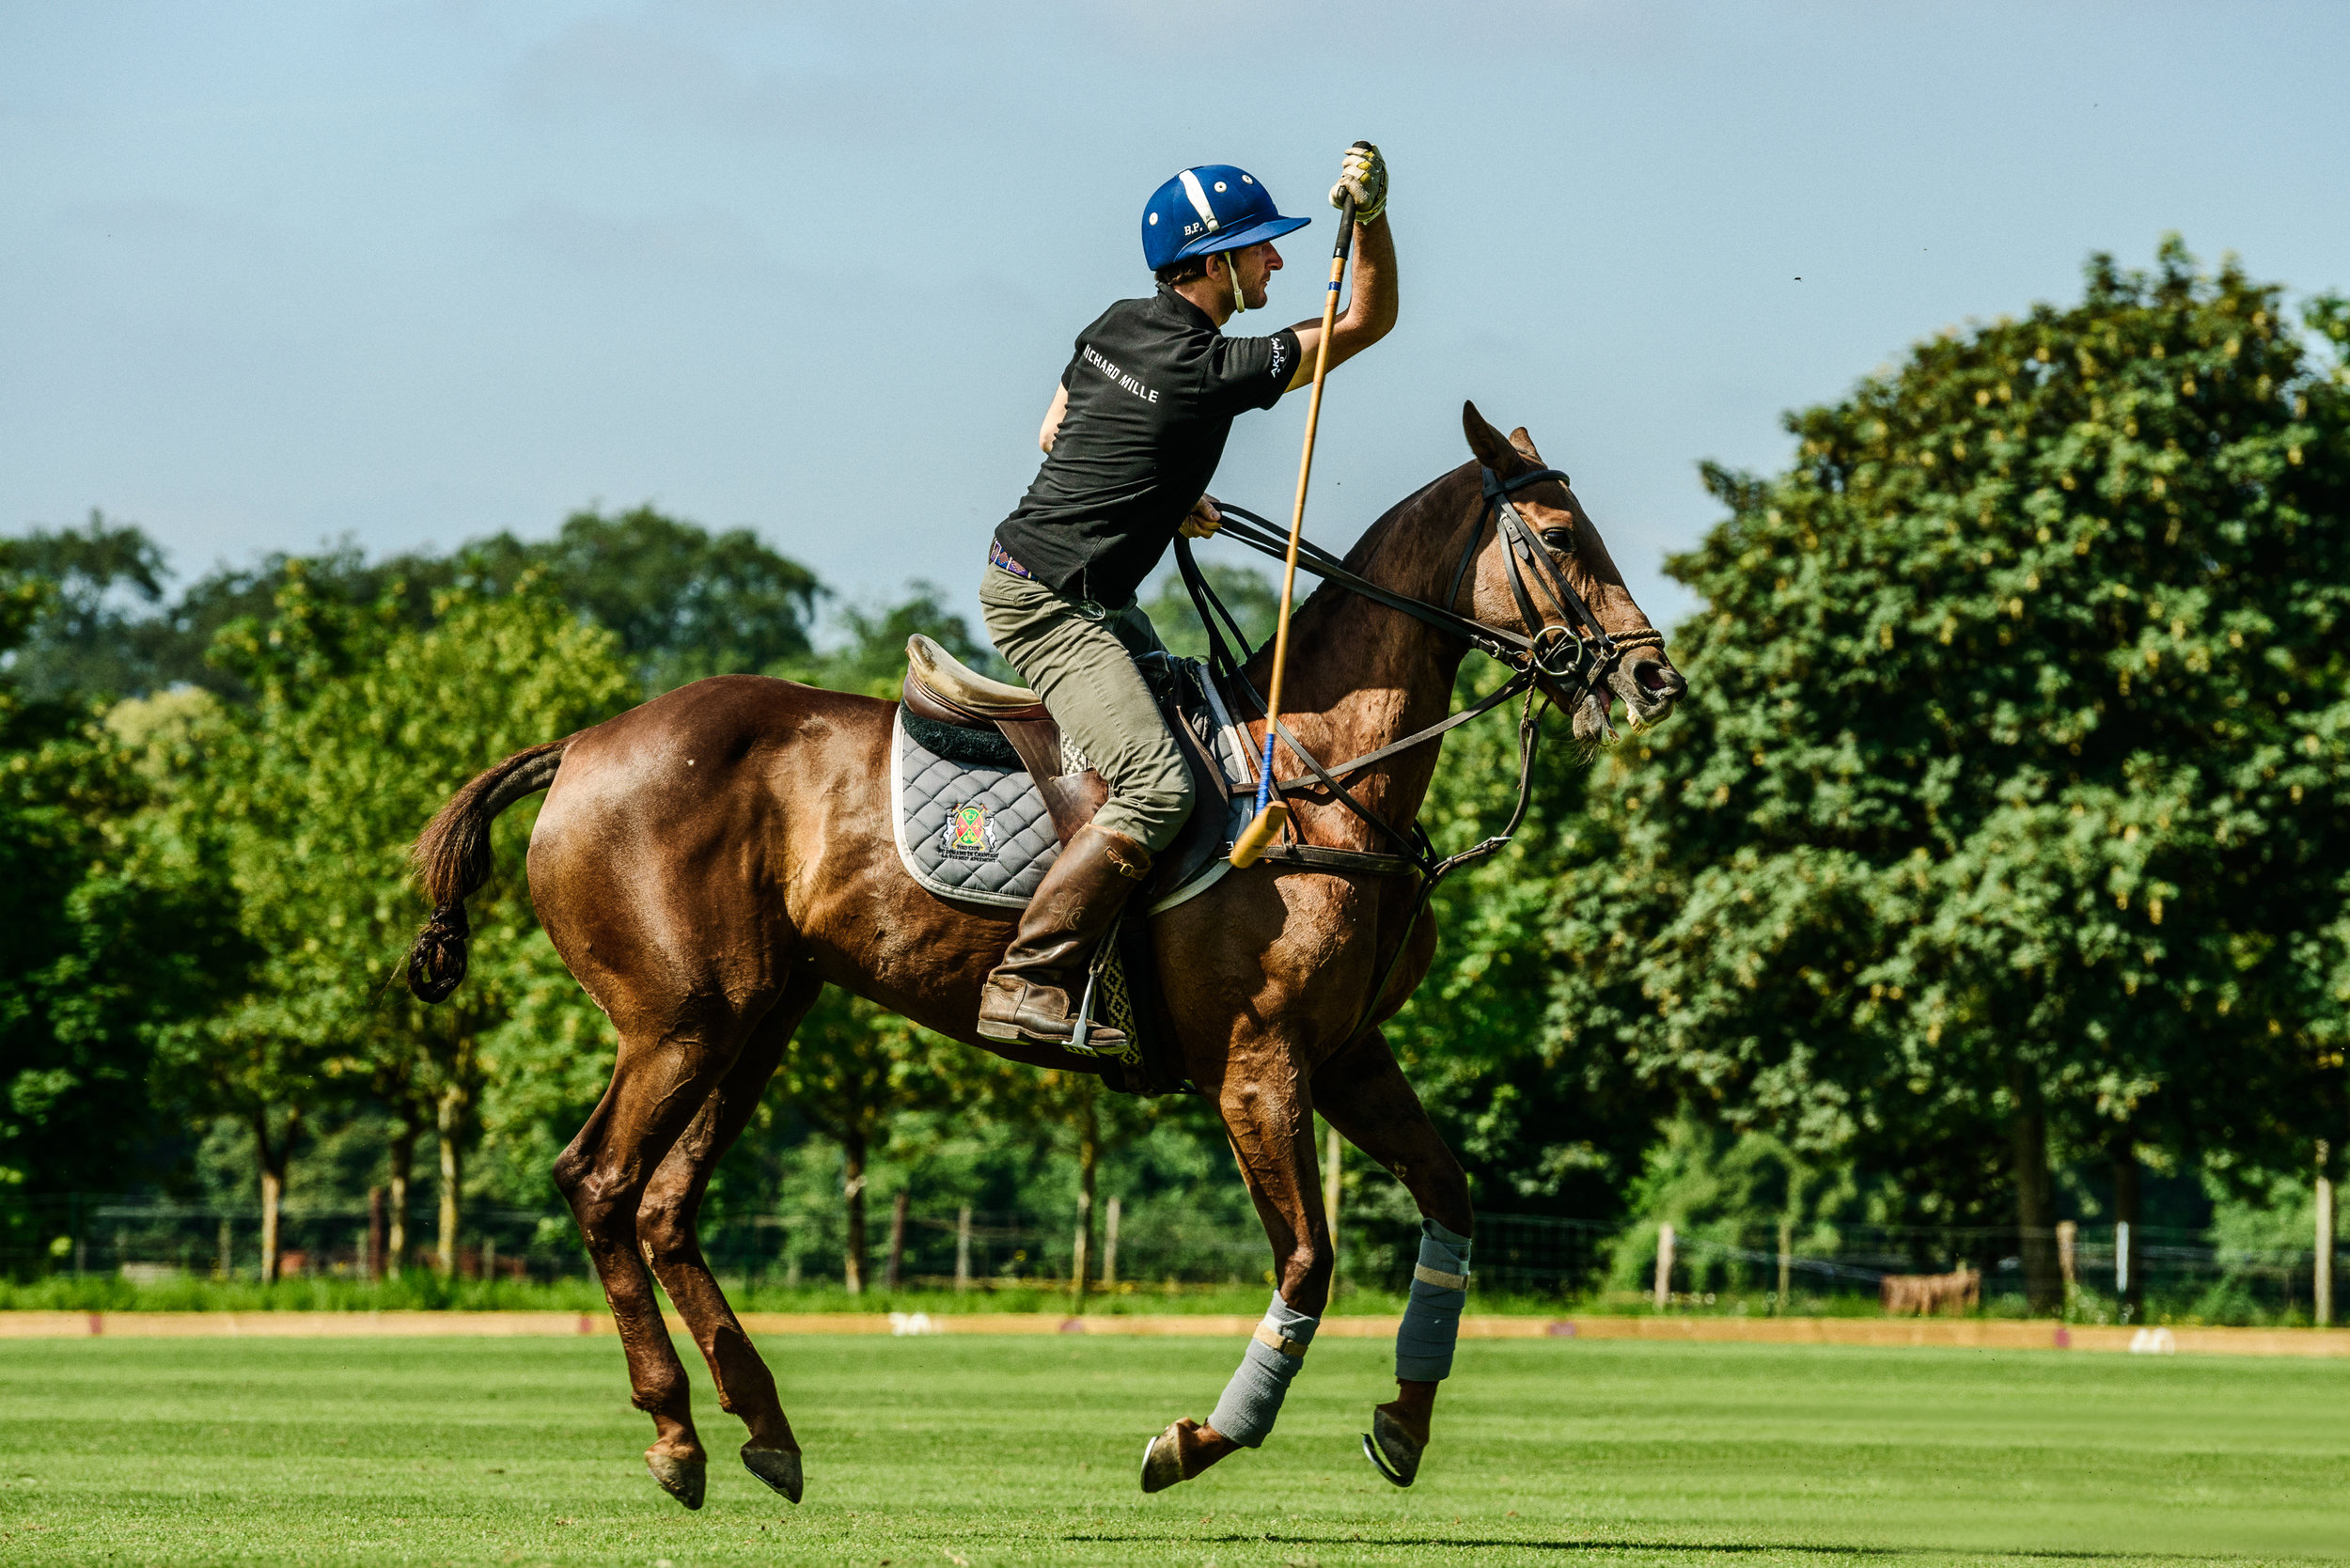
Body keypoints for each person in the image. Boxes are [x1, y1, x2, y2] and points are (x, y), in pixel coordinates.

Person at [976, 143, 1398, 1050]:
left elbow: (1056, 431)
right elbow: (1365, 318)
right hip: (1051, 604)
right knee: (1160, 790)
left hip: (1039, 570)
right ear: (1214, 265)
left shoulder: (1116, 322)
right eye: (1260, 250)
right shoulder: (1215, 368)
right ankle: (1029, 976)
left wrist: (1165, 492)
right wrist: (1373, 218)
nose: (1277, 262)